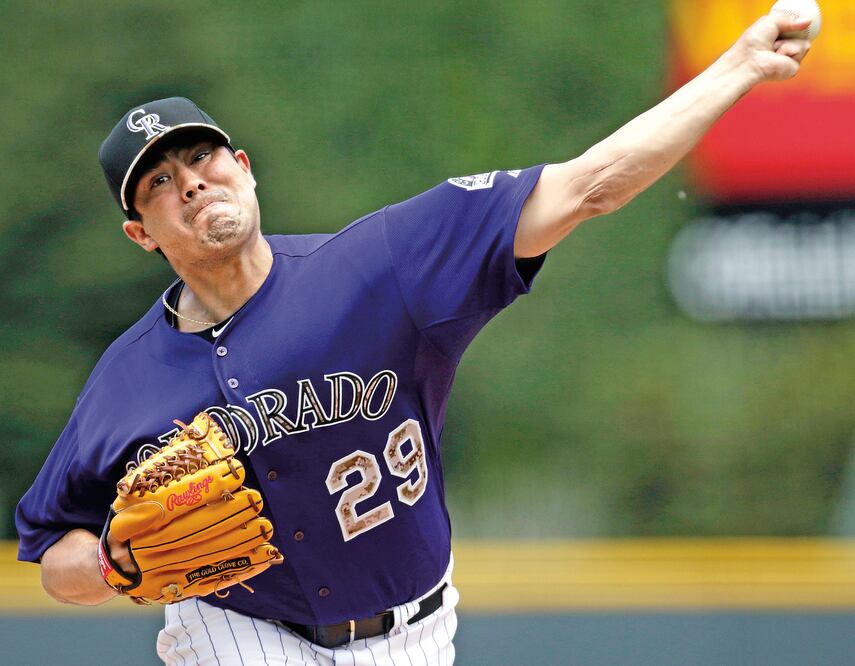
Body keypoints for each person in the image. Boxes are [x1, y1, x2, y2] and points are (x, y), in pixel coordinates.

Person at [15, 12, 811, 666]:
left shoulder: (379, 264)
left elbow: (588, 184)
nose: (189, 182)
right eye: (157, 182)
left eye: (200, 156)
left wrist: (736, 66)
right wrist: (113, 567)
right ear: (139, 233)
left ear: (244, 167)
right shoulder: (127, 378)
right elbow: (53, 549)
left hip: (416, 634)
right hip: (236, 633)